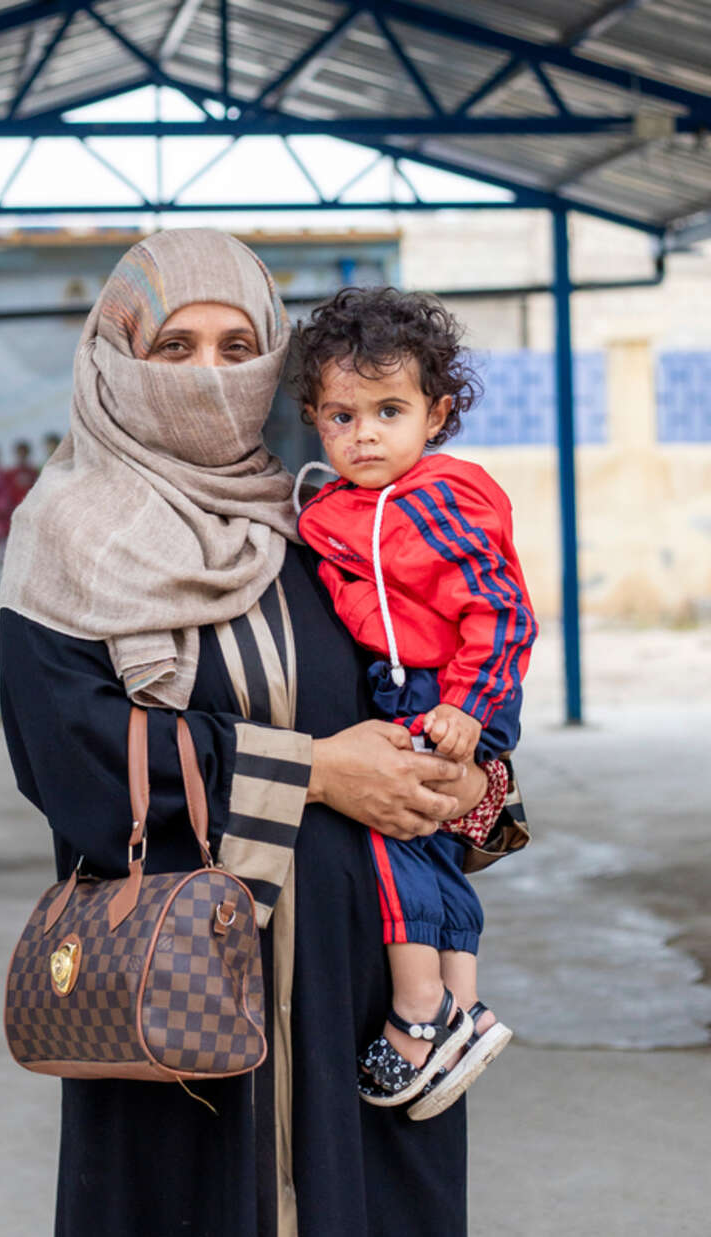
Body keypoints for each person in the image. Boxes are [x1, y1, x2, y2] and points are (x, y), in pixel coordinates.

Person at [0, 229, 526, 1237]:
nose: (209, 374)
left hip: (363, 991)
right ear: (115, 357)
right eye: (175, 347)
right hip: (176, 996)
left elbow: (444, 675)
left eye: (239, 348)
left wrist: (474, 781)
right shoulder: (66, 540)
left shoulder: (328, 521)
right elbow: (70, 759)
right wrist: (315, 771)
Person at [295, 288, 537, 1117]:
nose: (364, 433)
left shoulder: (436, 499)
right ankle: (463, 1007)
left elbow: (502, 610)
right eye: (341, 415)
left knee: (394, 832)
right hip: (415, 691)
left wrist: (470, 709)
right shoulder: (337, 509)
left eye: (388, 410)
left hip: (450, 692)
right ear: (314, 419)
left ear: (435, 416)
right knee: (430, 850)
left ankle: (417, 1013)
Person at [6, 440, 39, 510]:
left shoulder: (33, 471)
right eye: (20, 453)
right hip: (14, 507)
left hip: (31, 506)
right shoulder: (10, 472)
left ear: (28, 453)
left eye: (24, 453)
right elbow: (8, 491)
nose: (22, 455)